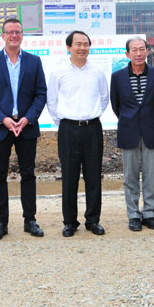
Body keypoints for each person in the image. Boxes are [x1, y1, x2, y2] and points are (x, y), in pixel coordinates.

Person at [0, 18, 47, 241]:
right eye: (10, 32)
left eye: (18, 32)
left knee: (28, 174)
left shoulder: (34, 62)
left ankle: (30, 220)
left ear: (22, 35)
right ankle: (1, 222)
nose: (14, 35)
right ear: (3, 36)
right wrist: (3, 119)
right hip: (1, 127)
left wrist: (27, 118)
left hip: (26, 127)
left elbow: (41, 94)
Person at [47, 30, 109, 237]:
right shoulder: (59, 72)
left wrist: (91, 117)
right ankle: (70, 222)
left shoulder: (98, 71)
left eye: (86, 44)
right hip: (68, 129)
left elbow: (104, 98)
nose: (83, 48)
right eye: (78, 44)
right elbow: (52, 102)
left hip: (92, 128)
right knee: (69, 177)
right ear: (68, 47)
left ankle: (93, 220)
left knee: (93, 177)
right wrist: (66, 122)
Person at [110, 37, 154, 231]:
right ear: (127, 54)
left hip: (151, 129)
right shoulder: (117, 77)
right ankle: (133, 214)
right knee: (130, 176)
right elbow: (116, 105)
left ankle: (149, 212)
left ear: (147, 51)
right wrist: (131, 119)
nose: (138, 53)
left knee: (151, 175)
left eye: (142, 49)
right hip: (129, 131)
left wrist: (148, 118)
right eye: (134, 50)